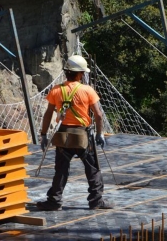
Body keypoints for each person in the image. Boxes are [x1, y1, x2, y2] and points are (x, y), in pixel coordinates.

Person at [35, 54, 112, 211]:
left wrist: (43, 134)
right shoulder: (87, 90)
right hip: (82, 136)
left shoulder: (56, 90)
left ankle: (54, 200)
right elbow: (98, 114)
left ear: (67, 72)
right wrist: (99, 133)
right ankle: (96, 200)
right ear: (79, 74)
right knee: (92, 169)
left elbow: (48, 114)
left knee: (61, 169)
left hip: (63, 136)